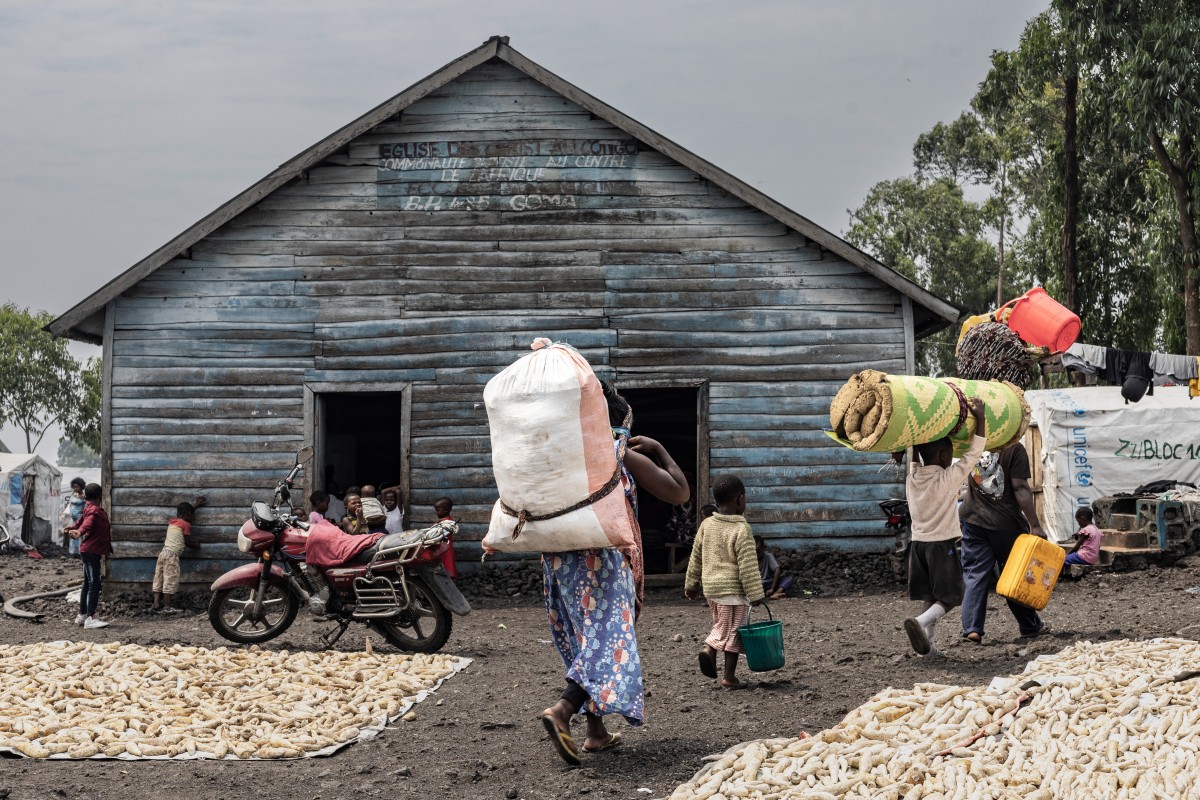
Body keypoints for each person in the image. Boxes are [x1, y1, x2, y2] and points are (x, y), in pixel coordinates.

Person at [540, 381, 689, 766]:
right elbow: (678, 492)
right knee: (608, 637)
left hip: (558, 559)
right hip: (601, 557)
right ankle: (563, 709)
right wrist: (657, 449)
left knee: (582, 637)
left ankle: (596, 732)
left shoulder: (556, 453)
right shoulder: (615, 452)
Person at [901, 400, 987, 656]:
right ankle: (920, 622)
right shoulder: (948, 478)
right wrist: (980, 418)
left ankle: (928, 649)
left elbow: (914, 458)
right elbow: (973, 454)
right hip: (942, 545)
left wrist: (917, 432)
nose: (953, 458)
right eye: (950, 454)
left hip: (917, 546)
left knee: (931, 595)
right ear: (943, 456)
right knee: (952, 597)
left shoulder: (912, 478)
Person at [959, 433, 1051, 644]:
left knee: (975, 574)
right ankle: (1030, 626)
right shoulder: (1014, 449)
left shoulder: (973, 444)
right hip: (1005, 524)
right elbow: (1019, 487)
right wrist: (1035, 525)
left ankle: (972, 629)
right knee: (1014, 574)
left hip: (972, 520)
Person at [684, 474, 764, 690]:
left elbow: (696, 556)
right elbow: (748, 566)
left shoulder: (707, 525)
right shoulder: (741, 528)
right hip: (733, 591)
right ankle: (713, 654)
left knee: (725, 626)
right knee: (733, 632)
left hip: (712, 589)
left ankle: (724, 668)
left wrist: (691, 584)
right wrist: (756, 594)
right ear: (739, 499)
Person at [151, 497, 207, 614]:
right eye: (191, 516)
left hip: (163, 554)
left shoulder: (173, 522)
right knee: (170, 579)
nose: (192, 519)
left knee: (159, 579)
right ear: (187, 515)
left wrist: (195, 506)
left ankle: (156, 604)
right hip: (172, 556)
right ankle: (167, 607)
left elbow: (186, 512)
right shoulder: (186, 524)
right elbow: (187, 541)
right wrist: (197, 544)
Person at [66, 483, 111, 629]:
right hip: (92, 552)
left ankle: (82, 615)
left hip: (88, 551)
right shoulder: (95, 511)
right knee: (94, 584)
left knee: (87, 584)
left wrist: (74, 528)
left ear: (85, 496)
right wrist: (79, 532)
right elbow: (87, 524)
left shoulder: (87, 509)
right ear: (100, 497)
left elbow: (81, 522)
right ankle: (91, 618)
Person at [433, 497, 457, 578]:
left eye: (438, 510)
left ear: (446, 510)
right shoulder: (442, 521)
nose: (436, 512)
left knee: (447, 563)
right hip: (442, 547)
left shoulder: (448, 523)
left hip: (445, 548)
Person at [62, 477, 87, 558]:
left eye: (77, 487)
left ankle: (81, 552)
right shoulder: (73, 494)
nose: (75, 488)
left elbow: (87, 506)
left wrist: (82, 512)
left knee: (79, 534)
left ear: (81, 487)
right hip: (73, 518)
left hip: (80, 518)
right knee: (72, 534)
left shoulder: (84, 496)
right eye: (74, 487)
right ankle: (73, 552)